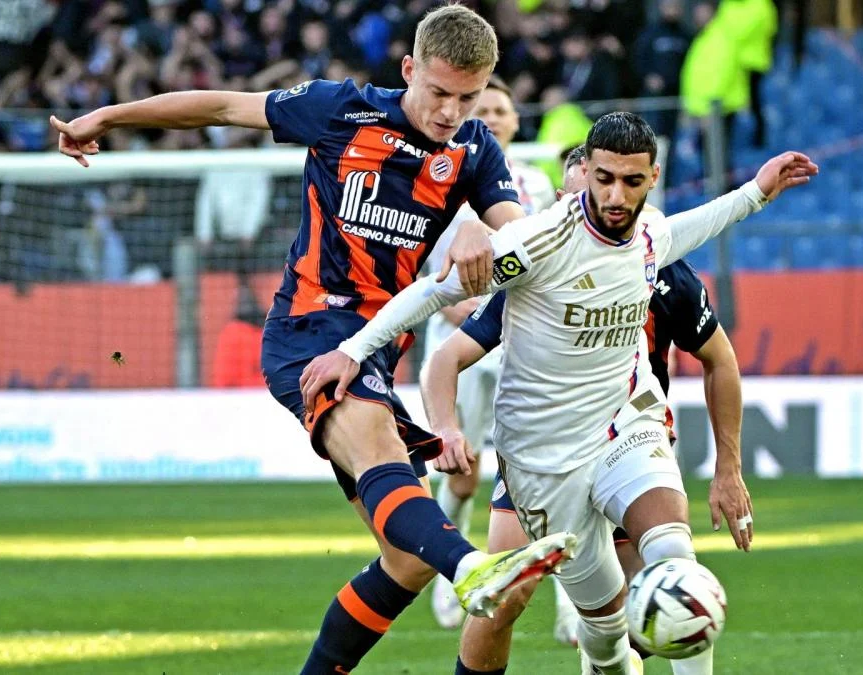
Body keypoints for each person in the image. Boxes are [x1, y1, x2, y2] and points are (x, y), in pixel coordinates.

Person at [50, 6, 576, 674]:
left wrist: (487, 230)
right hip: (310, 331)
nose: (451, 111)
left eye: (468, 98)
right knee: (392, 467)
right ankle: (471, 568)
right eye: (439, 92)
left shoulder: (476, 151)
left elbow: (524, 241)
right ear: (409, 69)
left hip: (378, 349)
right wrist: (109, 117)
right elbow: (219, 105)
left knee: (408, 558)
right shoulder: (341, 111)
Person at [332, 112, 817, 675]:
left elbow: (699, 224)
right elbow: (431, 295)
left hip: (625, 426)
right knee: (607, 635)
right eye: (604, 178)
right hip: (544, 463)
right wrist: (355, 349)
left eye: (632, 182)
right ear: (584, 171)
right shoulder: (537, 243)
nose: (616, 195)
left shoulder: (651, 233)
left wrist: (757, 191)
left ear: (652, 177)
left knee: (673, 558)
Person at [426, 145, 754, 674]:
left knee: (668, 574)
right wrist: (445, 424)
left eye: (620, 192)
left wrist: (729, 468)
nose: (604, 207)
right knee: (509, 597)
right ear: (560, 202)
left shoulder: (661, 269)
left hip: (627, 439)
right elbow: (449, 350)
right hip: (545, 455)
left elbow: (721, 359)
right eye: (585, 195)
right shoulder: (533, 272)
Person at [420, 74, 559, 631]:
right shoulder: (438, 176)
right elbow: (430, 265)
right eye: (487, 110)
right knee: (460, 471)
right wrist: (463, 311)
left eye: (501, 110)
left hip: (516, 340)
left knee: (541, 465)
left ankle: (574, 605)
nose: (495, 118)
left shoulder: (538, 185)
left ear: (515, 122)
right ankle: (447, 574)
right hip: (458, 338)